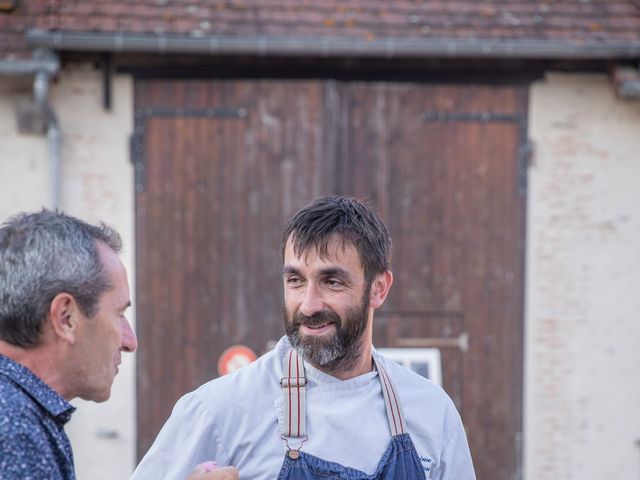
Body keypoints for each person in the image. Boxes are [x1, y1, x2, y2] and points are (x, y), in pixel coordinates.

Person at [132, 195, 476, 480]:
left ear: (379, 289)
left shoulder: (432, 412)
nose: (309, 305)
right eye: (295, 280)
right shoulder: (218, 412)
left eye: (332, 281)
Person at [0, 210, 238, 480]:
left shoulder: (22, 414)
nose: (130, 341)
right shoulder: (14, 432)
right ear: (65, 318)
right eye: (119, 313)